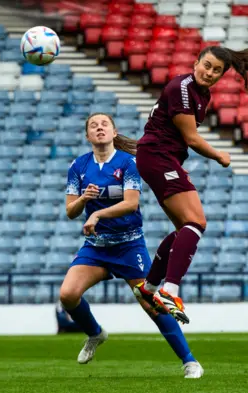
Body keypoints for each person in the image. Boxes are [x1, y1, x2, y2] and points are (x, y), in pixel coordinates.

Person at [133, 46, 248, 323]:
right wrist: (219, 155)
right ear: (196, 62)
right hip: (159, 158)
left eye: (217, 70)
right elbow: (191, 139)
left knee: (185, 228)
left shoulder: (203, 94)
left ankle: (149, 288)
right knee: (197, 223)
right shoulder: (182, 87)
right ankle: (170, 290)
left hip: (162, 158)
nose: (210, 73)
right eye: (207, 65)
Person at [59, 113, 204, 378]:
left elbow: (131, 203)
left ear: (114, 132)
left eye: (104, 124)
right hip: (96, 248)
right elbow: (70, 211)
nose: (99, 127)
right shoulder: (77, 166)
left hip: (129, 247)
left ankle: (190, 361)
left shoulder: (129, 163)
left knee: (151, 304)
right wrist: (83, 200)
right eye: (93, 125)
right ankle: (95, 334)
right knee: (67, 295)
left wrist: (97, 213)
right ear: (87, 136)